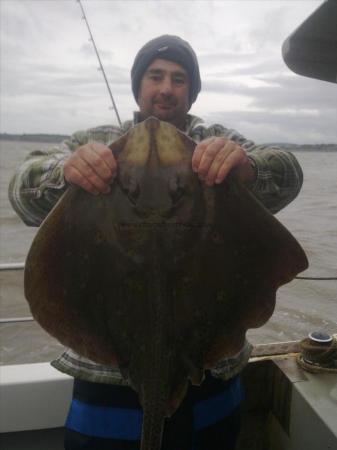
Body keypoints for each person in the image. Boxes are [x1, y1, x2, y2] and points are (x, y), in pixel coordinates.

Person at [9, 35, 303, 450]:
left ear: (192, 91)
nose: (166, 88)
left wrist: (248, 167)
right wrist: (65, 173)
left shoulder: (216, 140)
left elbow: (289, 172)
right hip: (106, 371)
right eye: (156, 75)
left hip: (209, 366)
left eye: (179, 79)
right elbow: (21, 190)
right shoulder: (93, 140)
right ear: (139, 85)